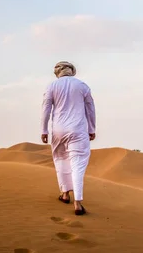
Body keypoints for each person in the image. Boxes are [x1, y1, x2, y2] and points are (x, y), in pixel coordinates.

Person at [41, 61, 96, 216]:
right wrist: (91, 128)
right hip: (78, 130)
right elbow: (90, 109)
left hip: (58, 130)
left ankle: (65, 194)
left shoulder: (51, 86)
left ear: (57, 72)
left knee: (60, 159)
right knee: (77, 163)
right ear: (72, 71)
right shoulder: (82, 86)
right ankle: (77, 203)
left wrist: (44, 130)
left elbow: (45, 109)